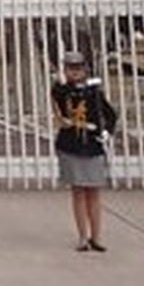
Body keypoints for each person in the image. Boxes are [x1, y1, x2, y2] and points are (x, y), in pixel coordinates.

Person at [51, 51, 117, 252]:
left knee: (94, 191)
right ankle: (82, 236)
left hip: (92, 143)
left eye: (78, 68)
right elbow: (59, 102)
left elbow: (109, 114)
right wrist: (62, 84)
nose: (74, 72)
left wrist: (107, 132)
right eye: (70, 69)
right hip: (71, 143)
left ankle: (96, 237)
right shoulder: (62, 91)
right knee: (78, 191)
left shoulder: (94, 92)